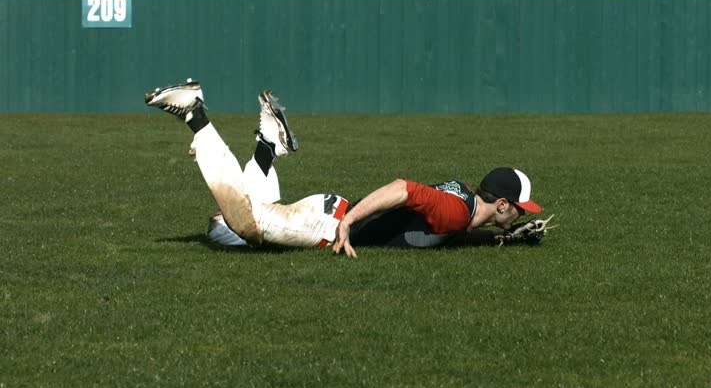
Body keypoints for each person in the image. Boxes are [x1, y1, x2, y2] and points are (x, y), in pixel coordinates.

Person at [144, 79, 554, 258]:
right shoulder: (455, 211)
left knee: (222, 228)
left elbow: (454, 231)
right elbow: (403, 188)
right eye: (521, 208)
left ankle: (269, 145)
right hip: (327, 224)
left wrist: (500, 241)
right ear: (501, 204)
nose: (523, 213)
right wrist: (350, 222)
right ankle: (194, 113)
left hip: (328, 211)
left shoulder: (465, 199)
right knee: (243, 224)